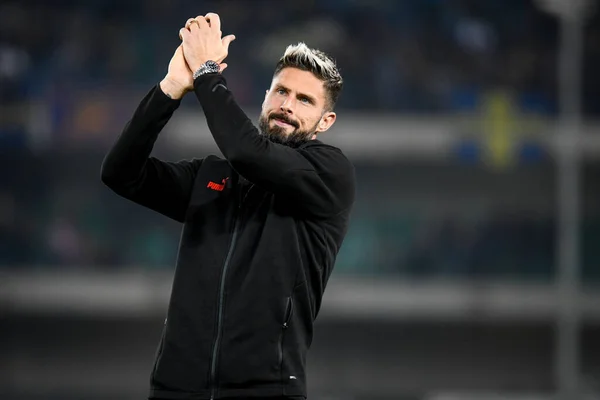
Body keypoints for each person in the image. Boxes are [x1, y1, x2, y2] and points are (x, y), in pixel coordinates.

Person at [100, 13, 355, 400]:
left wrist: (205, 71)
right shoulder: (211, 177)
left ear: (325, 121)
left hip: (264, 390)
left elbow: (246, 151)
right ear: (266, 97)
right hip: (176, 388)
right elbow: (119, 173)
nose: (288, 105)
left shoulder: (330, 173)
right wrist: (170, 89)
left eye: (305, 100)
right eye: (281, 92)